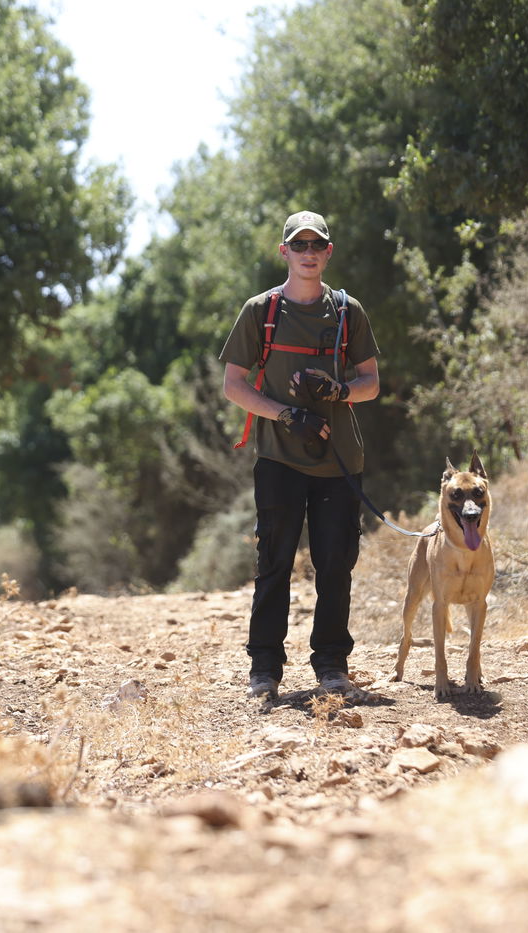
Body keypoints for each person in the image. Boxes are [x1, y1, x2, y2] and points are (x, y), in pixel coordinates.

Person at [219, 210, 380, 700]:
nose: (308, 253)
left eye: (317, 245)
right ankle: (264, 670)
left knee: (335, 565)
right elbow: (234, 386)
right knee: (275, 563)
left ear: (328, 252)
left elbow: (371, 383)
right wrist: (286, 415)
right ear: (284, 251)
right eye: (299, 244)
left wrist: (339, 390)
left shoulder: (348, 311)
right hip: (279, 459)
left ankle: (332, 666)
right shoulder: (261, 311)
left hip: (339, 461)